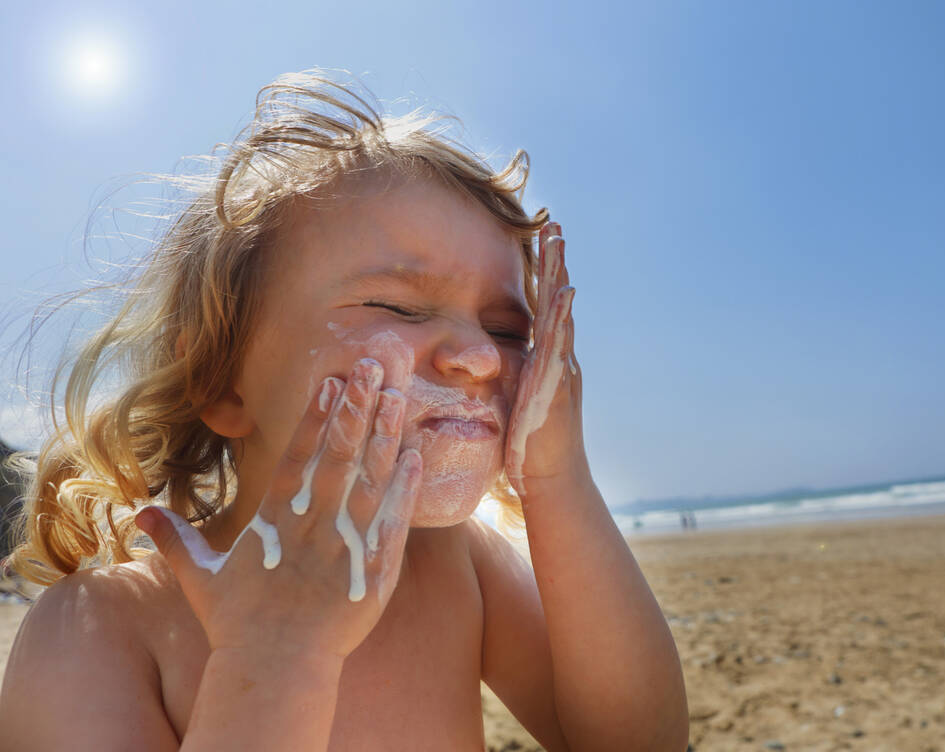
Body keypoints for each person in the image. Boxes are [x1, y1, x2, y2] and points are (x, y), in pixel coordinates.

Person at [0, 71, 689, 750]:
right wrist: (272, 658)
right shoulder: (97, 627)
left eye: (509, 331)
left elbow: (632, 739)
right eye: (397, 307)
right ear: (224, 384)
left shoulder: (453, 564)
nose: (479, 358)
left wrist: (557, 480)